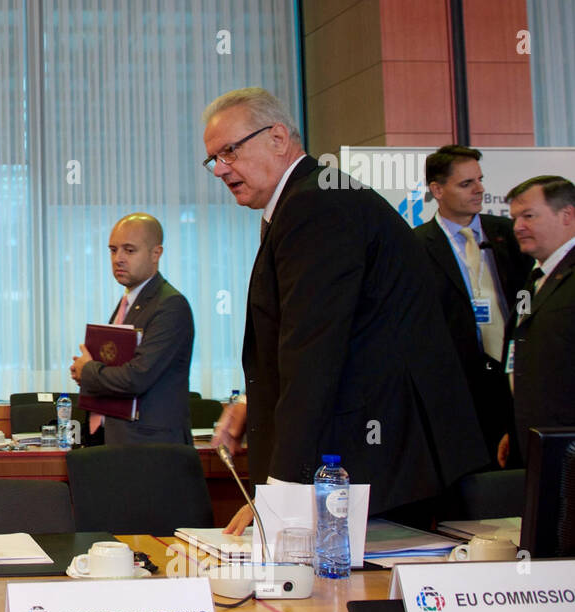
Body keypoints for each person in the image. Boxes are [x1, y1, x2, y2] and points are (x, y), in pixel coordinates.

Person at [202, 88, 487, 534]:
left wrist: (280, 494)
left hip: (380, 463)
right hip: (377, 459)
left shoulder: (316, 204)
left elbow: (313, 351)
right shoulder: (310, 198)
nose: (220, 169)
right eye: (213, 159)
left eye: (229, 151)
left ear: (278, 137)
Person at [413, 146, 530, 460]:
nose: (479, 189)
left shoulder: (510, 234)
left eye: (479, 180)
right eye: (466, 184)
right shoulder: (415, 246)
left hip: (514, 378)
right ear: (437, 190)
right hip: (458, 388)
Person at [69, 213, 194, 445]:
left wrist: (88, 372)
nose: (118, 259)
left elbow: (136, 377)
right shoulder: (131, 301)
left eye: (129, 250)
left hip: (151, 449)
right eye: (113, 250)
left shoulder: (170, 305)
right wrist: (87, 372)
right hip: (117, 440)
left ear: (156, 254)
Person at [499, 176, 575, 467]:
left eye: (528, 216)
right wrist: (514, 426)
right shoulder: (531, 280)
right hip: (531, 438)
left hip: (566, 445)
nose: (517, 227)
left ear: (566, 215)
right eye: (515, 218)